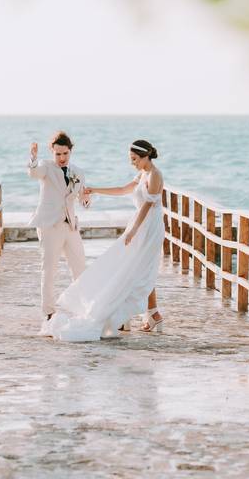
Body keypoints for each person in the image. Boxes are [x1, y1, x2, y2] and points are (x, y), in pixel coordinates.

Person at [41, 139, 165, 341]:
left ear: (145, 157)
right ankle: (150, 315)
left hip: (149, 227)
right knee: (138, 267)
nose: (132, 163)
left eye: (134, 159)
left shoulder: (155, 175)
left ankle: (145, 314)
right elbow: (123, 189)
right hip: (140, 224)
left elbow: (147, 207)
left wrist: (133, 231)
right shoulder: (143, 173)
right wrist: (96, 189)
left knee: (143, 268)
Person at [27, 131, 91, 323]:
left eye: (65, 154)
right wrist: (33, 158)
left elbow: (82, 201)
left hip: (70, 225)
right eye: (57, 154)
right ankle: (48, 311)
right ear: (52, 152)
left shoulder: (78, 172)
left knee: (80, 267)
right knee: (49, 268)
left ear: (70, 151)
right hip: (49, 225)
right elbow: (33, 172)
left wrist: (87, 199)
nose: (61, 158)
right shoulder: (45, 167)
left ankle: (84, 308)